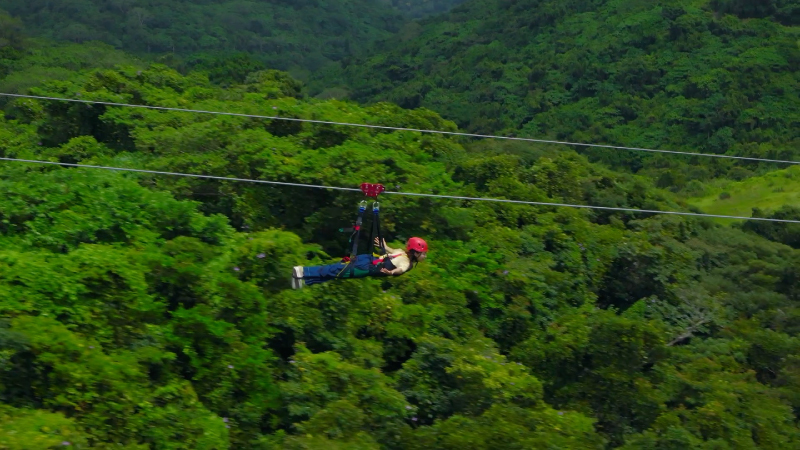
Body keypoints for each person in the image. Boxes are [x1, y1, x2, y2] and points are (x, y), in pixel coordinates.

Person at [291, 237, 428, 289]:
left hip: (367, 258)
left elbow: (391, 251)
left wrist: (384, 246)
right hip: (366, 267)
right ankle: (302, 271)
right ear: (416, 252)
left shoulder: (401, 252)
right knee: (337, 271)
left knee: (337, 271)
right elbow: (401, 269)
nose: (424, 256)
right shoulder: (407, 264)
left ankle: (304, 279)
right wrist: (392, 272)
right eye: (423, 253)